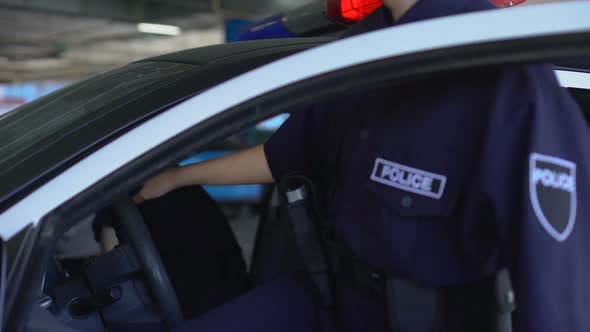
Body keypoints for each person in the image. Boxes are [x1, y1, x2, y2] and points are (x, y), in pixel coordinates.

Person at [135, 0, 590, 331]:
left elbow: (555, 281)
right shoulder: (363, 51)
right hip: (331, 296)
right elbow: (287, 154)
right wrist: (177, 177)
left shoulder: (500, 75)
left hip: (428, 319)